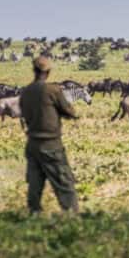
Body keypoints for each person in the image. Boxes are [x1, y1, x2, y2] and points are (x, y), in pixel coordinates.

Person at [19, 56, 79, 214]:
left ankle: (33, 217)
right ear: (48, 72)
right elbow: (69, 111)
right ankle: (72, 218)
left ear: (34, 70)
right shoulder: (52, 89)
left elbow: (25, 114)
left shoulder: (26, 92)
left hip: (32, 144)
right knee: (64, 182)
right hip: (50, 144)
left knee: (35, 184)